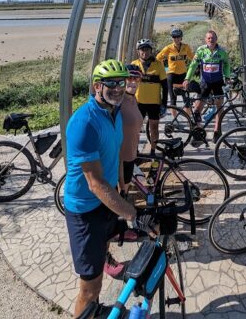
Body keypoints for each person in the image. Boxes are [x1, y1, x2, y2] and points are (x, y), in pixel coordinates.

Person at [63, 59, 156, 319]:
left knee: (105, 246)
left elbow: (114, 154)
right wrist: (133, 214)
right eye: (110, 84)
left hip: (104, 203)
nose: (118, 88)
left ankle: (106, 259)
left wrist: (123, 185)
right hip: (84, 211)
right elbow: (95, 183)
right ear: (96, 87)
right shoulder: (84, 123)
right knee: (90, 288)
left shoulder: (113, 113)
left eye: (121, 83)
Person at [182, 30, 230, 144]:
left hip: (218, 82)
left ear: (216, 39)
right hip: (205, 83)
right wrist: (187, 78)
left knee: (219, 107)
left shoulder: (222, 52)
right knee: (198, 108)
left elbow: (227, 64)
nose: (211, 40)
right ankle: (199, 131)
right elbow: (193, 65)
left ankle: (217, 131)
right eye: (208, 38)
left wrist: (227, 76)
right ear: (205, 39)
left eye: (213, 38)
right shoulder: (201, 50)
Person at [131, 38, 168, 154]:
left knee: (154, 129)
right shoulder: (134, 65)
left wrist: (164, 103)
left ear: (151, 51)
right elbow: (128, 85)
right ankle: (135, 152)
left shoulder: (158, 65)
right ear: (138, 51)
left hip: (154, 102)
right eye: (142, 50)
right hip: (138, 102)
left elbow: (165, 86)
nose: (144, 52)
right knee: (136, 129)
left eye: (147, 50)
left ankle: (153, 151)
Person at [119, 64, 144, 198]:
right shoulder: (118, 102)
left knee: (125, 192)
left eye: (137, 78)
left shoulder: (133, 99)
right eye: (130, 77)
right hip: (120, 157)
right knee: (120, 194)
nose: (133, 81)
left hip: (131, 154)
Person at [156, 28, 193, 114]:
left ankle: (189, 120)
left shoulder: (186, 47)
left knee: (186, 98)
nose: (176, 39)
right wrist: (162, 69)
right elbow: (158, 58)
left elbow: (193, 58)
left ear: (181, 38)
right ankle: (174, 122)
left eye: (178, 37)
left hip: (183, 75)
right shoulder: (168, 48)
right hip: (171, 75)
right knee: (173, 99)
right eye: (174, 37)